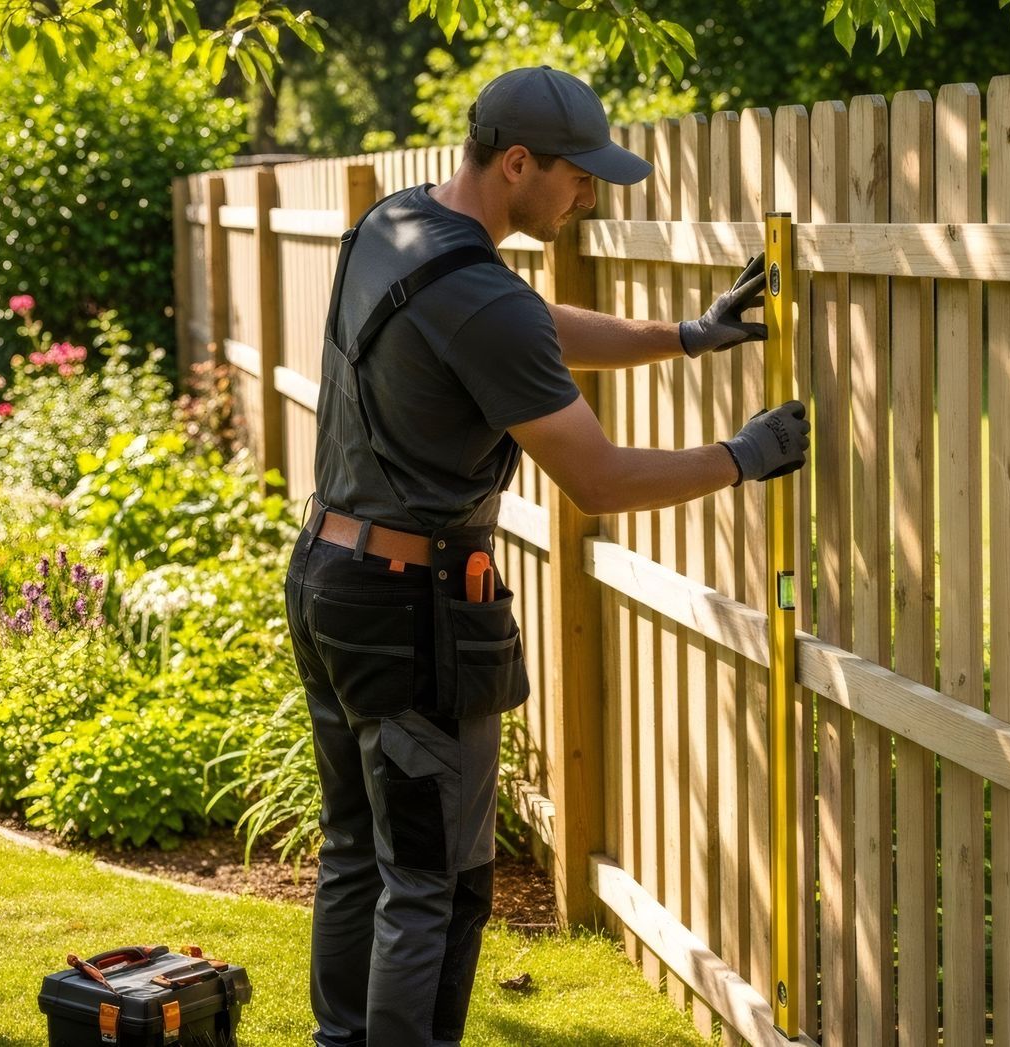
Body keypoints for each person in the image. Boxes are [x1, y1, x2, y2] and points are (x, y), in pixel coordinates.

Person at [282, 65, 809, 1047]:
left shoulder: (398, 228)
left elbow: (526, 331)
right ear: (516, 163)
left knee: (360, 853)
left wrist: (685, 338)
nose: (588, 196)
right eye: (576, 177)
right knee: (432, 884)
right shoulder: (480, 294)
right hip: (412, 611)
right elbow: (599, 479)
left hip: (331, 577)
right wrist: (739, 458)